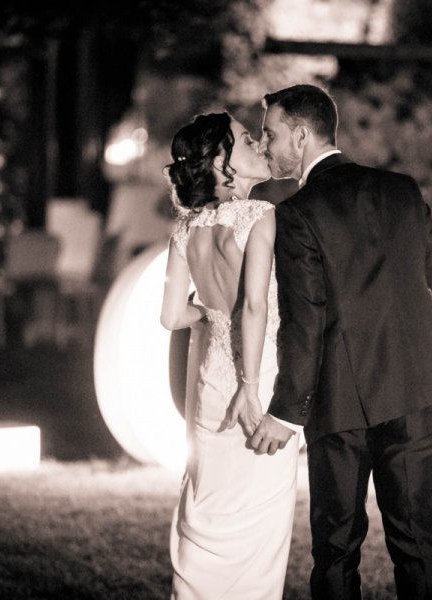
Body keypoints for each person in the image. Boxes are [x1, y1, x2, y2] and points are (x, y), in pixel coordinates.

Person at [248, 84, 432, 600]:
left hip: (341, 402)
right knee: (420, 543)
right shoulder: (400, 189)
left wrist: (287, 409)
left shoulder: (296, 213)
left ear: (300, 135)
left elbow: (304, 320)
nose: (265, 145)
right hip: (415, 389)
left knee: (336, 551)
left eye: (270, 134)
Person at [160, 112, 299, 599]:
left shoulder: (185, 228)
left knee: (208, 504)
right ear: (224, 163)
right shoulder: (260, 216)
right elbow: (256, 306)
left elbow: (172, 316)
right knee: (259, 526)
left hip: (209, 387)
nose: (258, 143)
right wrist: (251, 385)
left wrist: (210, 316)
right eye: (245, 140)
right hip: (254, 383)